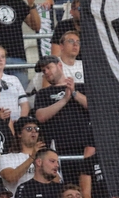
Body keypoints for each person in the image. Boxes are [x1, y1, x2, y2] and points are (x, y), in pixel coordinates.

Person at [34, 55, 90, 183]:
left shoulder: (81, 87)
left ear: (59, 65)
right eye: (44, 71)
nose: (46, 72)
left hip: (85, 148)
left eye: (48, 67)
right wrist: (64, 99)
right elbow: (41, 116)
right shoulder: (43, 93)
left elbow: (94, 108)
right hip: (59, 150)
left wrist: (74, 93)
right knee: (67, 188)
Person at [0, 117, 43, 197]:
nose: (34, 131)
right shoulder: (6, 158)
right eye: (29, 129)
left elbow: (57, 180)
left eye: (36, 128)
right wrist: (32, 157)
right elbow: (11, 178)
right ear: (19, 134)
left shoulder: (44, 156)